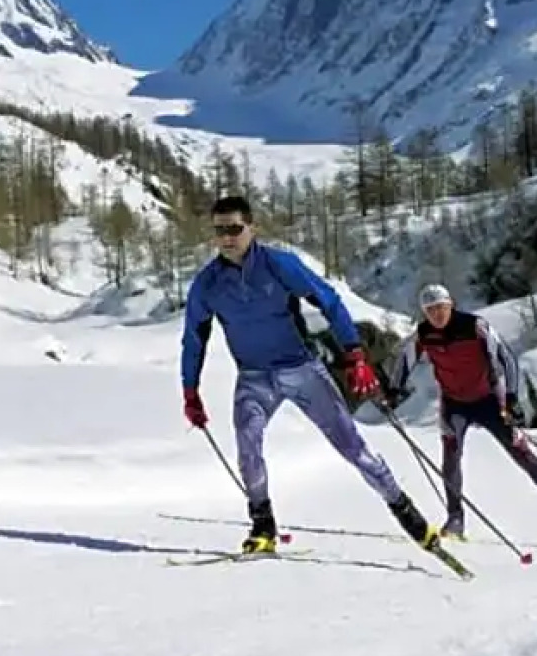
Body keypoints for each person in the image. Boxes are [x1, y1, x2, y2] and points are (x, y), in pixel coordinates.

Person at [179, 195, 445, 556]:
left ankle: (406, 511)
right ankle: (262, 526)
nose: (227, 237)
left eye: (234, 229)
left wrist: (354, 354)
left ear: (251, 228)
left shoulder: (279, 264)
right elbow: (194, 338)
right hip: (254, 378)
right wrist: (190, 391)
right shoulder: (207, 284)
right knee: (247, 447)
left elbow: (328, 300)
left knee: (352, 447)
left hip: (302, 370)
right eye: (220, 230)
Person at [386, 283, 537, 539]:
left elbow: (507, 358)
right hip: (454, 404)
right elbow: (404, 361)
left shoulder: (475, 327)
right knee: (451, 458)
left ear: (450, 305)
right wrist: (393, 390)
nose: (436, 315)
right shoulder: (424, 334)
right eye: (430, 310)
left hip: (489, 400)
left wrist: (512, 398)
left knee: (521, 453)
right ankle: (455, 519)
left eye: (440, 308)